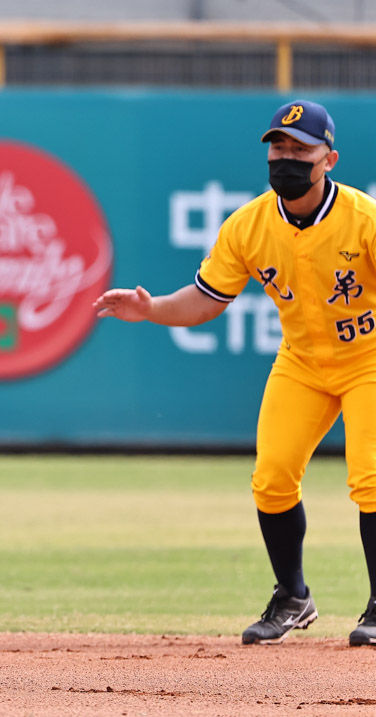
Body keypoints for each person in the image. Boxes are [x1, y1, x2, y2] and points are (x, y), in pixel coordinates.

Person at [93, 99, 376, 647]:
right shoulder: (248, 225)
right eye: (278, 147)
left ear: (330, 160)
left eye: (301, 149)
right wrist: (150, 309)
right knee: (271, 477)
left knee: (371, 476)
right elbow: (203, 300)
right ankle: (293, 597)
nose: (285, 158)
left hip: (370, 359)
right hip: (303, 361)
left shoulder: (363, 221)